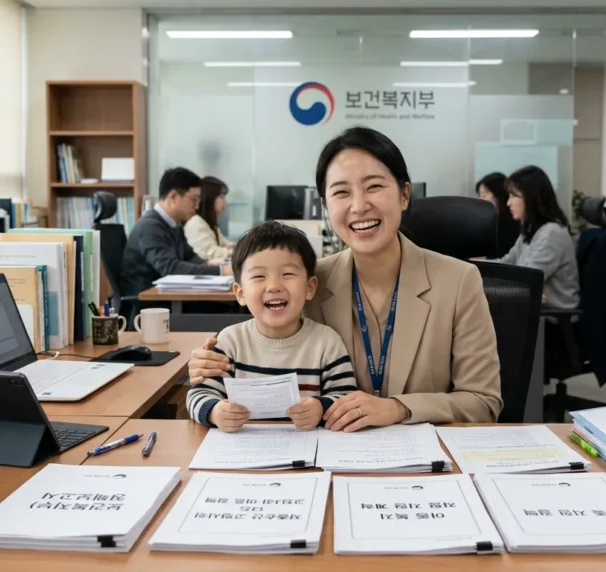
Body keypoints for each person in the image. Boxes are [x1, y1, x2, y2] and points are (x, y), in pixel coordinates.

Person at [188, 126, 502, 432]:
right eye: (341, 192)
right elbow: (259, 350)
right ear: (325, 206)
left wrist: (398, 408)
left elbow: (483, 402)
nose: (359, 205)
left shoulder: (459, 281)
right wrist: (210, 366)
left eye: (374, 187)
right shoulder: (306, 283)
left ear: (405, 195)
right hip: (327, 460)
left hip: (425, 463)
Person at [185, 221, 357, 432]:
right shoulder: (230, 342)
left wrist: (321, 407)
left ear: (310, 287)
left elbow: (346, 396)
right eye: (259, 276)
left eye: (287, 274)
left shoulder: (327, 342)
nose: (274, 286)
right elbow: (197, 395)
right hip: (242, 453)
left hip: (307, 452)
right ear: (240, 293)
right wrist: (214, 411)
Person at [120, 167, 231, 302]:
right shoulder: (150, 227)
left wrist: (214, 267)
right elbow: (171, 268)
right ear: (173, 197)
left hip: (170, 298)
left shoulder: (173, 225)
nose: (196, 207)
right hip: (148, 305)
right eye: (194, 200)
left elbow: (191, 258)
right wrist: (221, 271)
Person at [497, 165, 580, 309]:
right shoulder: (531, 229)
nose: (508, 203)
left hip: (551, 320)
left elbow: (527, 280)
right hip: (533, 311)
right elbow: (508, 261)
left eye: (514, 196)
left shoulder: (551, 233)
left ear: (532, 198)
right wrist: (476, 268)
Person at [184, 176, 234, 261]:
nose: (224, 202)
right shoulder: (196, 223)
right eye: (221, 197)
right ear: (210, 198)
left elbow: (224, 244)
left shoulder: (208, 223)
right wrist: (233, 252)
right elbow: (210, 253)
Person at [476, 172, 520, 259]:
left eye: (484, 195)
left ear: (499, 195)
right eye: (479, 195)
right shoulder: (486, 224)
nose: (479, 200)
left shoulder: (513, 224)